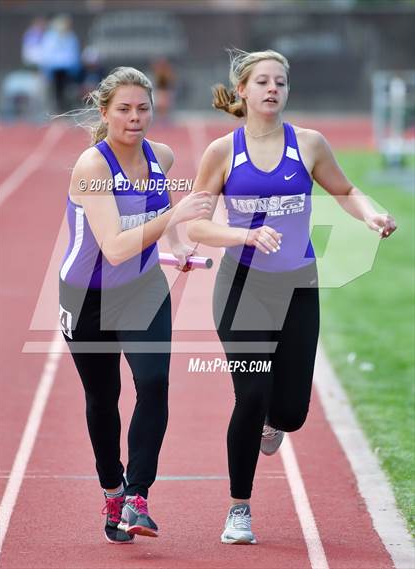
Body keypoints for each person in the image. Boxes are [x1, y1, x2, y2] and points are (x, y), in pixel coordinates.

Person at [187, 49, 397, 545]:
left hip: (299, 286)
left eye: (280, 82)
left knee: (291, 413)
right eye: (262, 81)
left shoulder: (308, 145)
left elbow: (346, 191)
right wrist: (242, 237)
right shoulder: (222, 151)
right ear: (243, 89)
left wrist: (369, 215)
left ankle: (273, 425)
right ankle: (239, 509)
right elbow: (193, 221)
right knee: (252, 394)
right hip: (241, 288)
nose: (272, 89)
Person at [59, 66, 211, 544]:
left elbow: (157, 210)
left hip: (143, 288)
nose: (135, 117)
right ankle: (111, 488)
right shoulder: (93, 168)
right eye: (123, 109)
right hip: (87, 299)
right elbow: (116, 247)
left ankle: (136, 497)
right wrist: (175, 214)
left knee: (154, 382)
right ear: (104, 112)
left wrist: (180, 242)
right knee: (103, 401)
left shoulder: (159, 156)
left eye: (143, 108)